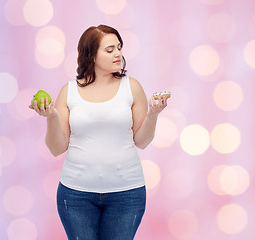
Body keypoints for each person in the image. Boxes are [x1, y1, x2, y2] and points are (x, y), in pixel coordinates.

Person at [30, 24, 168, 240]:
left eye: (119, 47)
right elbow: (56, 148)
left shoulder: (131, 87)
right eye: (109, 49)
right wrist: (51, 117)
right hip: (75, 195)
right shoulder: (69, 91)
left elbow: (141, 141)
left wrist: (153, 114)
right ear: (91, 55)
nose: (118, 54)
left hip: (127, 194)